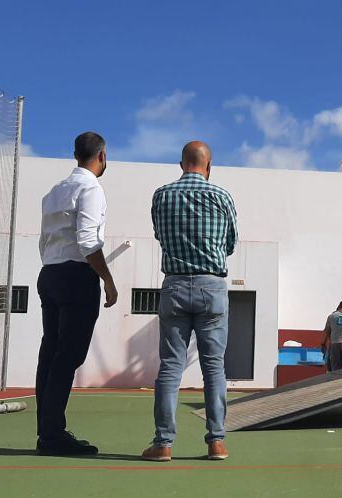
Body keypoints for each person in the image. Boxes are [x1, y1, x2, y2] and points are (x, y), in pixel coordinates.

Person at [141, 141, 238, 462]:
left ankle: (163, 443)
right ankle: (217, 442)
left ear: (181, 163)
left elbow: (159, 235)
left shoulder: (161, 195)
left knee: (170, 367)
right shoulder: (222, 196)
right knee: (214, 368)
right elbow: (230, 243)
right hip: (212, 287)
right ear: (208, 165)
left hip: (175, 286)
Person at [35, 131, 118, 456]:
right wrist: (107, 280)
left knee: (51, 353)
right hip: (75, 276)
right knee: (68, 356)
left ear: (75, 155)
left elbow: (45, 239)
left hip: (50, 272)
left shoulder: (55, 191)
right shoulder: (91, 189)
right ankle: (53, 435)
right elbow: (87, 241)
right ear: (102, 156)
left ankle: (48, 431)